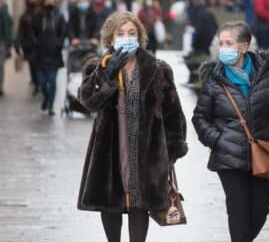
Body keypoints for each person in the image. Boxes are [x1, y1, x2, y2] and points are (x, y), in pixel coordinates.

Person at [77, 12, 188, 242]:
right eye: (120, 34)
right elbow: (87, 100)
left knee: (140, 202)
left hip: (147, 148)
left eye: (131, 33)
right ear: (110, 39)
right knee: (111, 201)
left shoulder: (158, 69)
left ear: (140, 37)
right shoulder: (97, 68)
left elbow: (173, 112)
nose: (126, 37)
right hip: (111, 147)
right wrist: (107, 73)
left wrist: (173, 150)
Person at [192, 21, 269, 242]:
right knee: (238, 210)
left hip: (262, 151)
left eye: (229, 43)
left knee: (262, 206)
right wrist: (217, 140)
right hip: (229, 156)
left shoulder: (266, 76)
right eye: (221, 43)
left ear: (244, 46)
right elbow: (200, 118)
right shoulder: (214, 80)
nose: (223, 48)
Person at [32, 0, 67, 115]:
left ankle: (51, 105)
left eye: (52, 1)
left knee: (52, 81)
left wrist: (59, 44)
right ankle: (46, 98)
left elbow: (63, 32)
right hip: (40, 53)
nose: (49, 3)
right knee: (41, 81)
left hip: (54, 53)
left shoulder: (59, 16)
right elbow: (32, 31)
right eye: (47, 1)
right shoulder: (37, 16)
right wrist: (35, 43)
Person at [15, 0, 40, 95]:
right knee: (32, 65)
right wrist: (18, 43)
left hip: (40, 45)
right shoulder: (24, 16)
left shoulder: (40, 14)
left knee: (38, 65)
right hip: (28, 45)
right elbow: (20, 31)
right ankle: (35, 83)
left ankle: (39, 82)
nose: (32, 1)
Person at [0, 0, 11, 96]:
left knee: (0, 65)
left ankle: (0, 85)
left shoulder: (5, 10)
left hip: (1, 41)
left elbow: (8, 26)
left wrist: (8, 43)